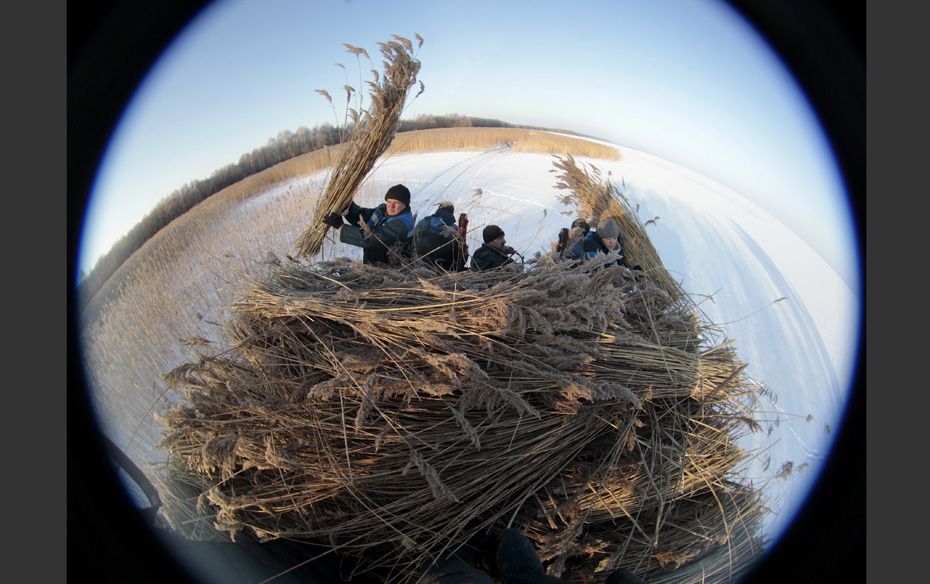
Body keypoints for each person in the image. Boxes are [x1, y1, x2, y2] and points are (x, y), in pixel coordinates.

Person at [322, 184, 415, 265]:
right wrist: (348, 207)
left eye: (396, 203)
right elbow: (363, 217)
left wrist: (341, 226)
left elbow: (371, 240)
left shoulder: (402, 224)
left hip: (388, 270)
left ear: (405, 205)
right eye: (389, 201)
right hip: (374, 263)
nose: (391, 206)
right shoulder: (384, 210)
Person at [413, 201, 468, 272]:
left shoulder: (422, 223)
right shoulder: (456, 230)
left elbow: (412, 244)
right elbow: (461, 258)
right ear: (452, 213)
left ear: (438, 210)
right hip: (444, 271)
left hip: (420, 267)